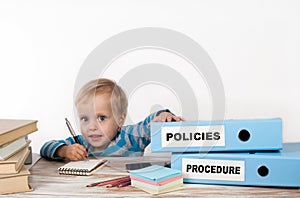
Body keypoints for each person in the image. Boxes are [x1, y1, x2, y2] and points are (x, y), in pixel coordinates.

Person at [40, 78, 182, 161]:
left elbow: (150, 123)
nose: (92, 126)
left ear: (120, 119)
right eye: (85, 119)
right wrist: (64, 151)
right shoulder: (80, 143)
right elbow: (46, 147)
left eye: (101, 118)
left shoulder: (130, 137)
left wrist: (162, 116)